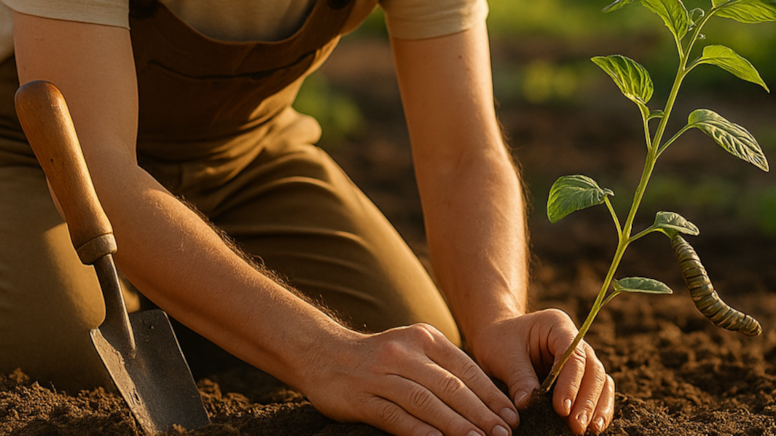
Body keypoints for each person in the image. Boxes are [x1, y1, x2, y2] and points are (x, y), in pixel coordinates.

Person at [0, 0, 615, 435]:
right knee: (63, 351)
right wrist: (322, 352)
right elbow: (100, 167)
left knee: (422, 346)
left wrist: (497, 316)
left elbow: (462, 153)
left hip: (245, 148)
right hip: (36, 154)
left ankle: (195, 302)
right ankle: (193, 303)